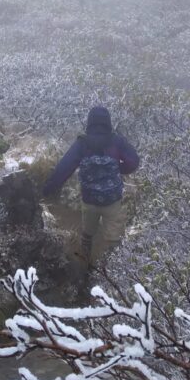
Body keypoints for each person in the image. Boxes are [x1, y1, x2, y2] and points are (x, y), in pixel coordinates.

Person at [42, 106, 140, 267]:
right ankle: (112, 272)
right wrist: (119, 168)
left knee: (88, 232)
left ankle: (86, 261)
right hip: (112, 201)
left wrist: (49, 189)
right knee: (114, 239)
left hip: (89, 201)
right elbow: (133, 161)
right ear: (108, 122)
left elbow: (64, 168)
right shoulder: (116, 141)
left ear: (90, 122)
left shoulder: (82, 143)